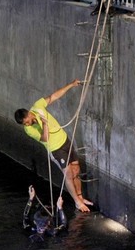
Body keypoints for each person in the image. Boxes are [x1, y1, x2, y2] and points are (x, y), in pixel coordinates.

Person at [14, 79, 93, 212]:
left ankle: (80, 196)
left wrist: (71, 85)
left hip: (65, 140)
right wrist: (44, 124)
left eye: (26, 122)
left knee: (76, 169)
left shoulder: (38, 106)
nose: (26, 125)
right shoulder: (29, 130)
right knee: (68, 173)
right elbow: (45, 138)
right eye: (24, 124)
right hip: (55, 149)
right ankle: (77, 203)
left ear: (28, 114)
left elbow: (53, 97)